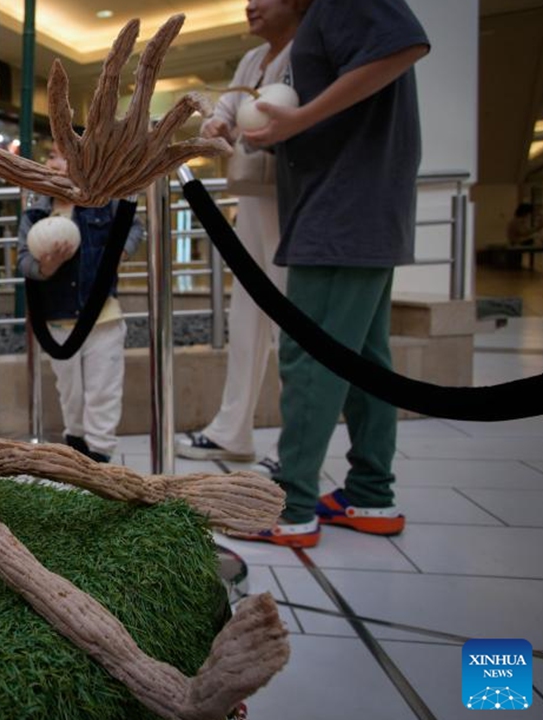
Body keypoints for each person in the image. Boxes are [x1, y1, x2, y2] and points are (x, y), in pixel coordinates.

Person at [233, 0, 430, 547]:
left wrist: (299, 118)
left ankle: (291, 505)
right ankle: (371, 493)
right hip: (355, 209)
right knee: (364, 361)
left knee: (312, 355)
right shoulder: (323, 15)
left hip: (342, 210)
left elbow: (406, 43)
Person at [176, 0, 301, 474]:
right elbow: (224, 110)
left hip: (294, 200)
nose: (249, 6)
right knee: (246, 313)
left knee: (292, 318)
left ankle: (295, 445)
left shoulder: (308, 50)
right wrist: (217, 123)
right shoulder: (253, 61)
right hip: (253, 194)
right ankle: (233, 429)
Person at [17, 148, 145, 463]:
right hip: (58, 322)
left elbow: (134, 226)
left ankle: (100, 454)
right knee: (70, 392)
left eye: (64, 155)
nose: (53, 163)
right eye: (50, 155)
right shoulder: (35, 215)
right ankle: (76, 443)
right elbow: (24, 260)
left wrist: (120, 255)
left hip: (104, 318)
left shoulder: (105, 204)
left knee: (104, 391)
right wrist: (47, 267)